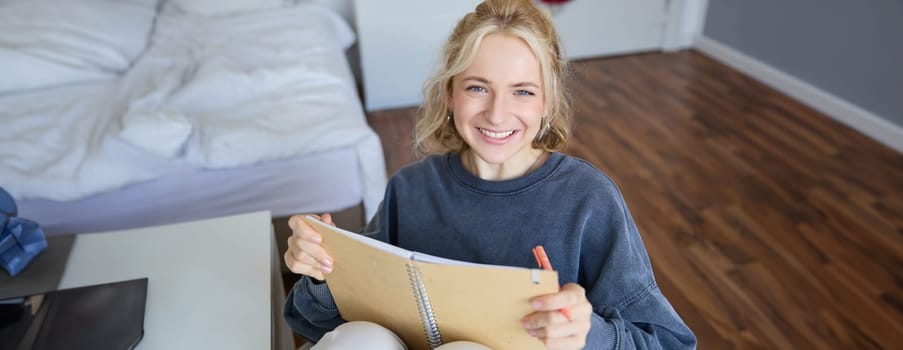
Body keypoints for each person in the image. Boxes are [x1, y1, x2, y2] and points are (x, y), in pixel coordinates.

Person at [283, 0, 697, 349]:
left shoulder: (588, 200)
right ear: (449, 93)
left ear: (548, 103)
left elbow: (669, 341)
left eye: (522, 91)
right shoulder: (410, 190)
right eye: (477, 87)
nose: (497, 114)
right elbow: (315, 324)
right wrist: (321, 274)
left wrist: (589, 333)